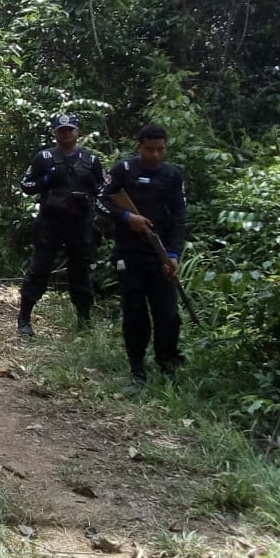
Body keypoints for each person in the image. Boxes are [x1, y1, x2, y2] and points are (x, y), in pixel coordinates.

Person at [98, 123, 187, 390]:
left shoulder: (172, 175)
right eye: (150, 149)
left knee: (168, 315)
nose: (155, 155)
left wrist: (173, 255)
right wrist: (127, 217)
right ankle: (137, 370)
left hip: (160, 256)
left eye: (160, 149)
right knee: (135, 314)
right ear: (139, 147)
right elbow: (101, 200)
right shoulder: (123, 170)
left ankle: (167, 365)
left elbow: (180, 217)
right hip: (130, 254)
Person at [17, 114, 105, 338]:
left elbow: (104, 190)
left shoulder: (90, 160)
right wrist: (47, 179)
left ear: (77, 132)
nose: (66, 133)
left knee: (81, 273)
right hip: (50, 223)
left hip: (80, 224)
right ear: (55, 133)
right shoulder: (44, 157)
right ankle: (24, 318)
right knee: (39, 270)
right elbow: (26, 185)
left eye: (70, 129)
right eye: (62, 130)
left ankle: (84, 322)